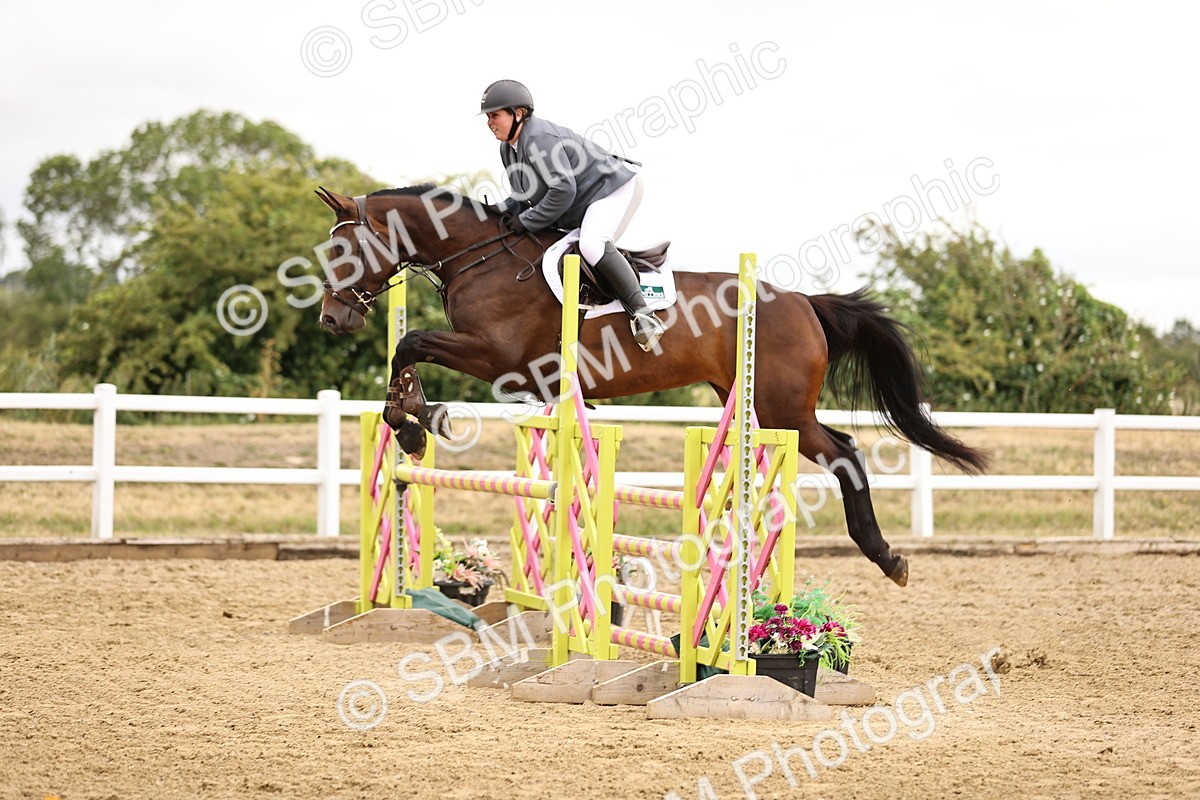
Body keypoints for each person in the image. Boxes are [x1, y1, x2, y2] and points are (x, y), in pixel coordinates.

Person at [480, 79, 666, 352]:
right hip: (584, 198)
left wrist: (527, 220)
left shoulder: (539, 139)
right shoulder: (508, 149)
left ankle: (644, 314)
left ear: (518, 113)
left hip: (613, 189)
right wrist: (496, 212)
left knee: (592, 243)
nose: (490, 122)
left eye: (495, 115)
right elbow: (523, 196)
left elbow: (562, 191)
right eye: (488, 116)